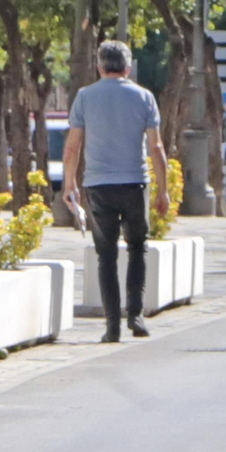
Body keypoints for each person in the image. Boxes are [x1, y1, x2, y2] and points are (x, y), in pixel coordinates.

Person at [62, 41, 169, 344]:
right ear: (128, 67)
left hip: (98, 186)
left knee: (105, 255)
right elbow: (156, 147)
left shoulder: (85, 97)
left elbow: (72, 146)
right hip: (135, 182)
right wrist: (163, 190)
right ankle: (135, 314)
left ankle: (112, 326)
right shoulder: (144, 97)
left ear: (99, 66)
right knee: (137, 247)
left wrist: (69, 183)